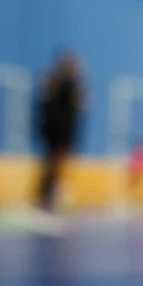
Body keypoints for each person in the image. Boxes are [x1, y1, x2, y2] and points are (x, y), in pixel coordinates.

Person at [35, 51, 85, 213]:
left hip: (65, 134)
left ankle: (55, 196)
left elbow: (80, 107)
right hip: (57, 133)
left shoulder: (73, 85)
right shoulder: (57, 84)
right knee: (53, 165)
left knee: (60, 166)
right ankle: (47, 197)